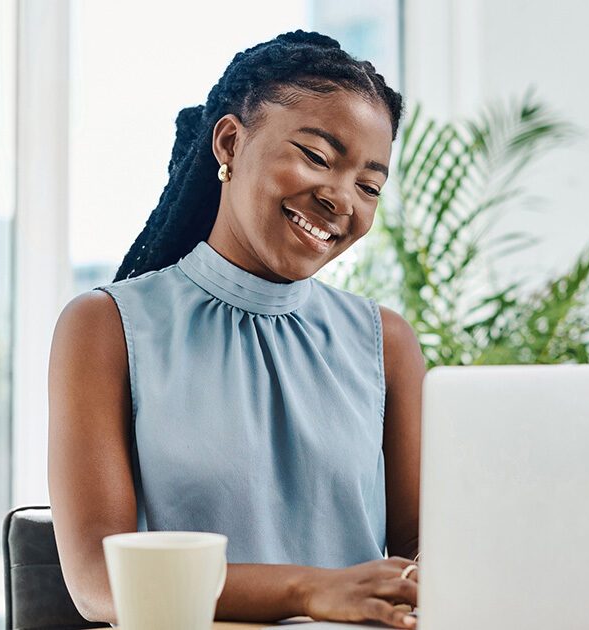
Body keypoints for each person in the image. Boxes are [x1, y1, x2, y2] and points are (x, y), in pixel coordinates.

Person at [48, 30, 425, 629]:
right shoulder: (107, 326)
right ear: (230, 142)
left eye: (370, 185)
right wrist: (311, 591)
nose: (341, 198)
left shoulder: (387, 341)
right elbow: (102, 583)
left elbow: (422, 552)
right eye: (318, 157)